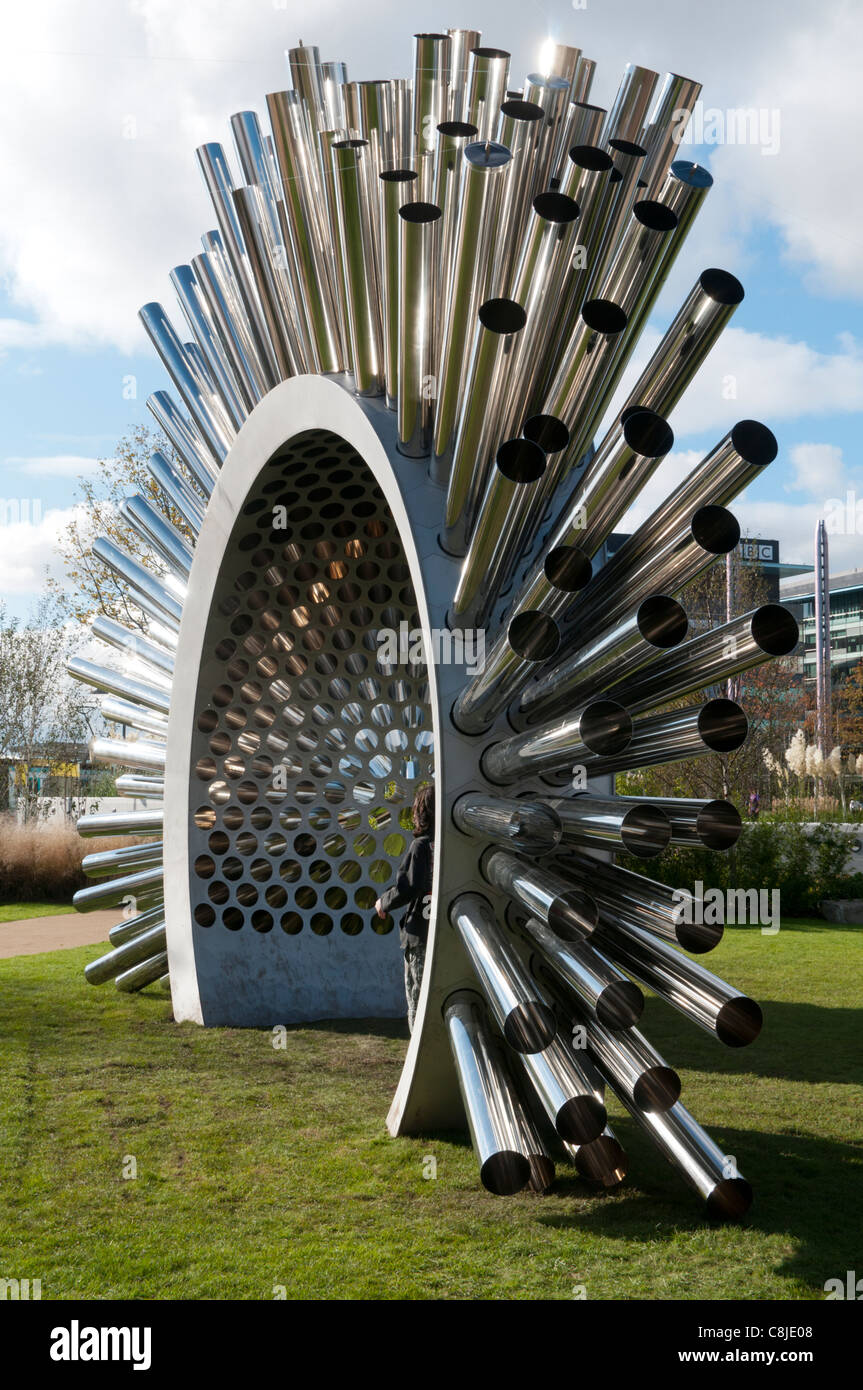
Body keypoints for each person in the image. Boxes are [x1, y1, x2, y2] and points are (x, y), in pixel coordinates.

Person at [375, 784, 434, 1033]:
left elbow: (408, 886)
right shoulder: (449, 846)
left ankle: (419, 1060)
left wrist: (383, 902)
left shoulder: (421, 846)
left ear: (421, 813)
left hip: (418, 935)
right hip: (440, 932)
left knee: (418, 1003)